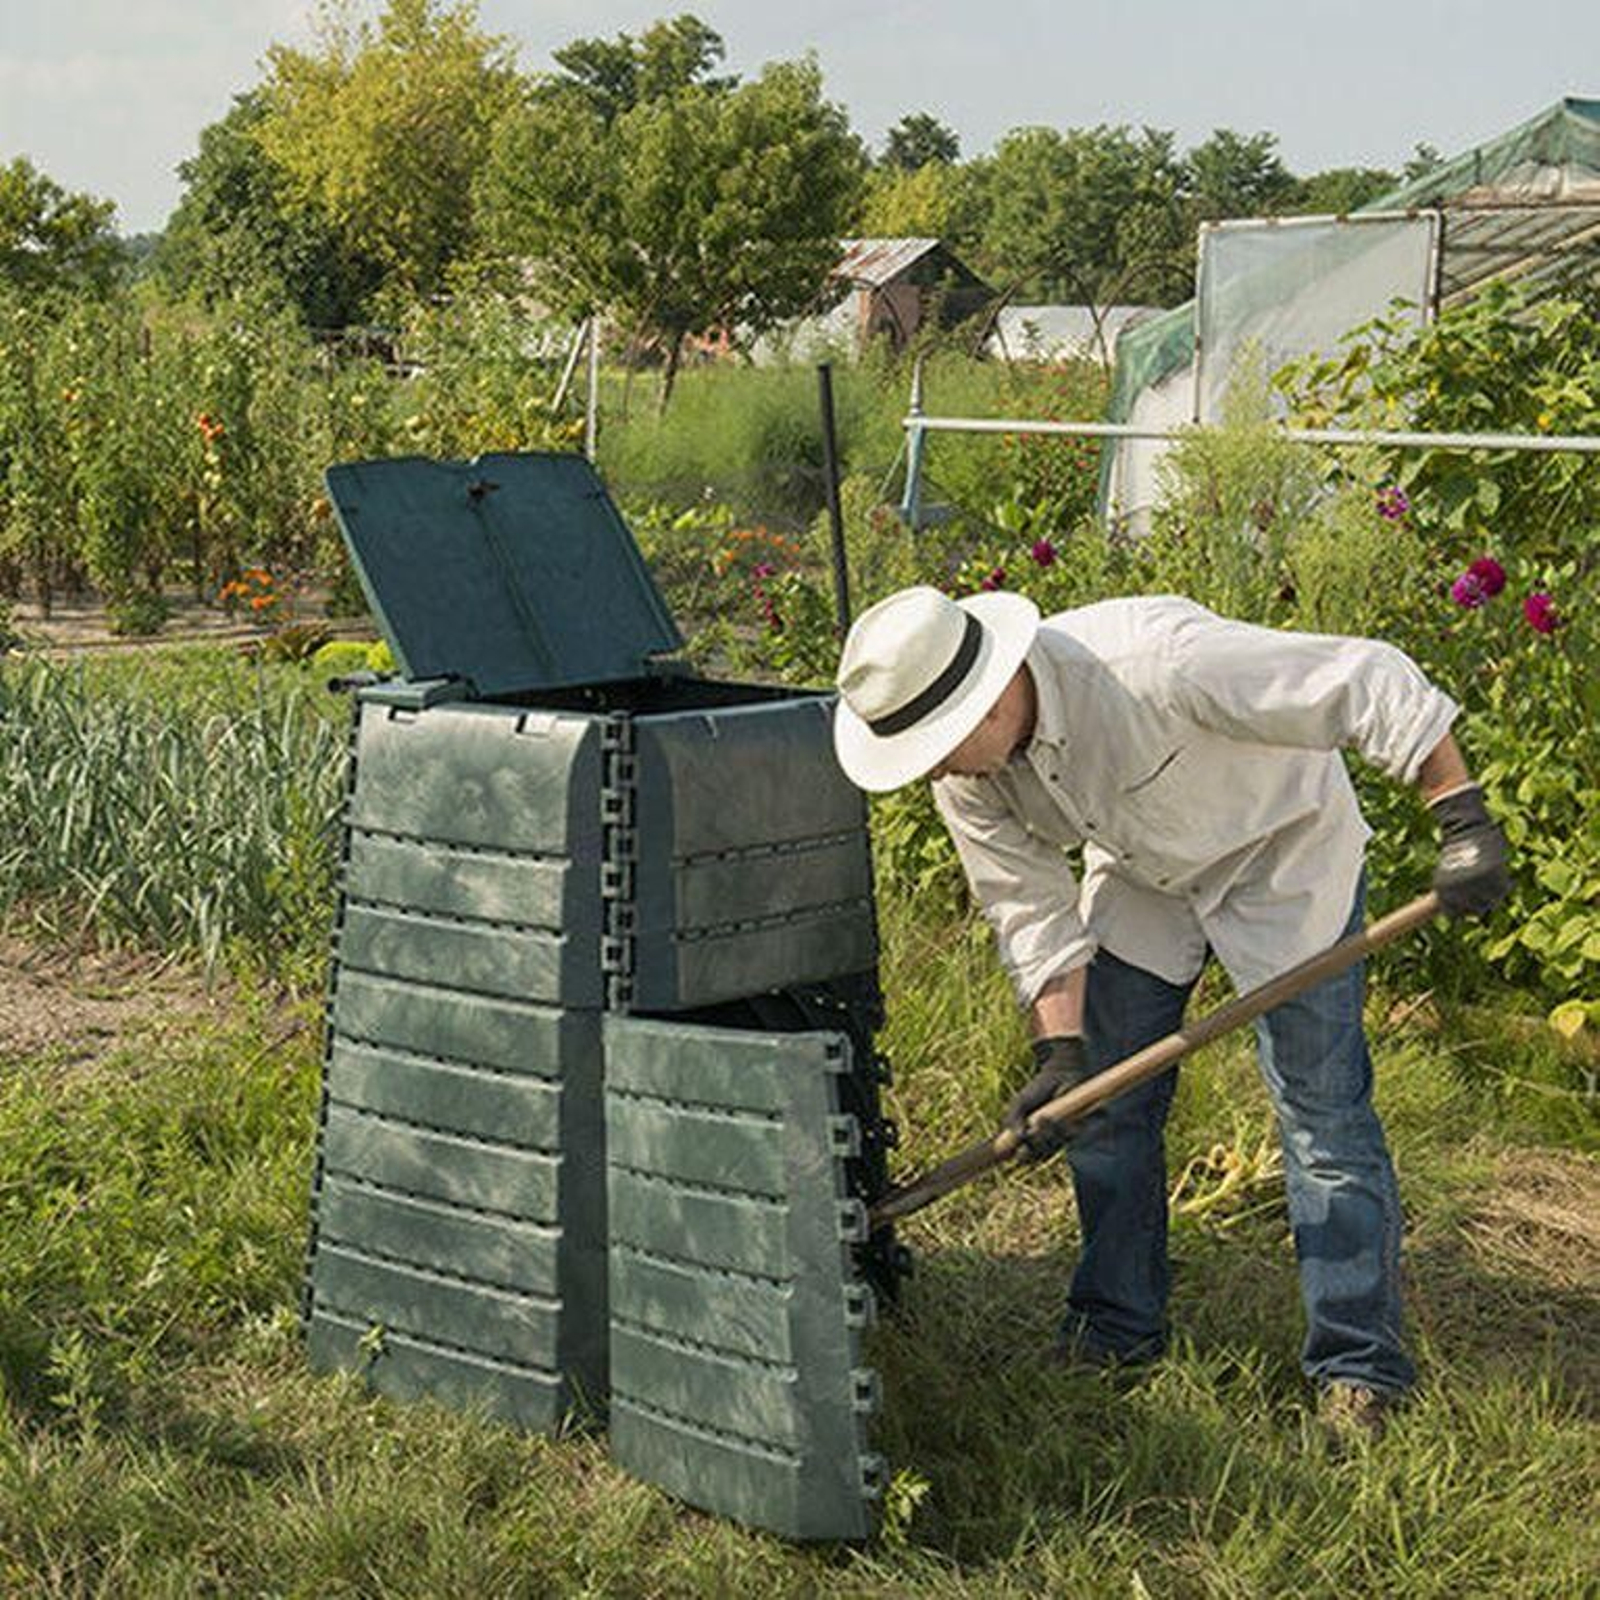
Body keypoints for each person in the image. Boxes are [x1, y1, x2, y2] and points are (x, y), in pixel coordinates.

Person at [831, 585, 1509, 1438]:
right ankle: (1116, 1327)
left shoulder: (1157, 662)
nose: (933, 770)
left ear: (995, 693)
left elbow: (1365, 679)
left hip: (1282, 851)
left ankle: (1358, 1367)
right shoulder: (966, 777)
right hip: (1148, 876)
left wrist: (1462, 817)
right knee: (1106, 1111)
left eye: (937, 748)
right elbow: (1029, 911)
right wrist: (1062, 1056)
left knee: (1321, 1120)